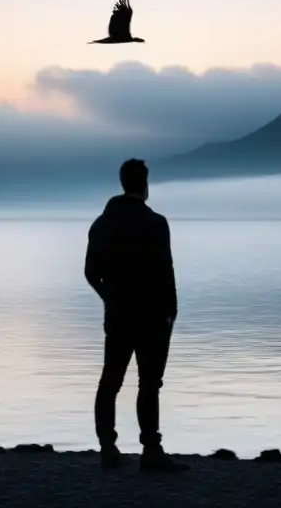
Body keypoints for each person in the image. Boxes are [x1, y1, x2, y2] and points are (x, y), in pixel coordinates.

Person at [85, 158, 189, 472]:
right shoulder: (156, 223)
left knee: (111, 381)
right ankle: (151, 450)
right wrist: (171, 312)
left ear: (122, 183)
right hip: (153, 316)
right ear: (144, 185)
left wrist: (109, 298)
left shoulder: (102, 224)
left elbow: (91, 272)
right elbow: (165, 272)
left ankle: (107, 447)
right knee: (149, 384)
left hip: (118, 315)